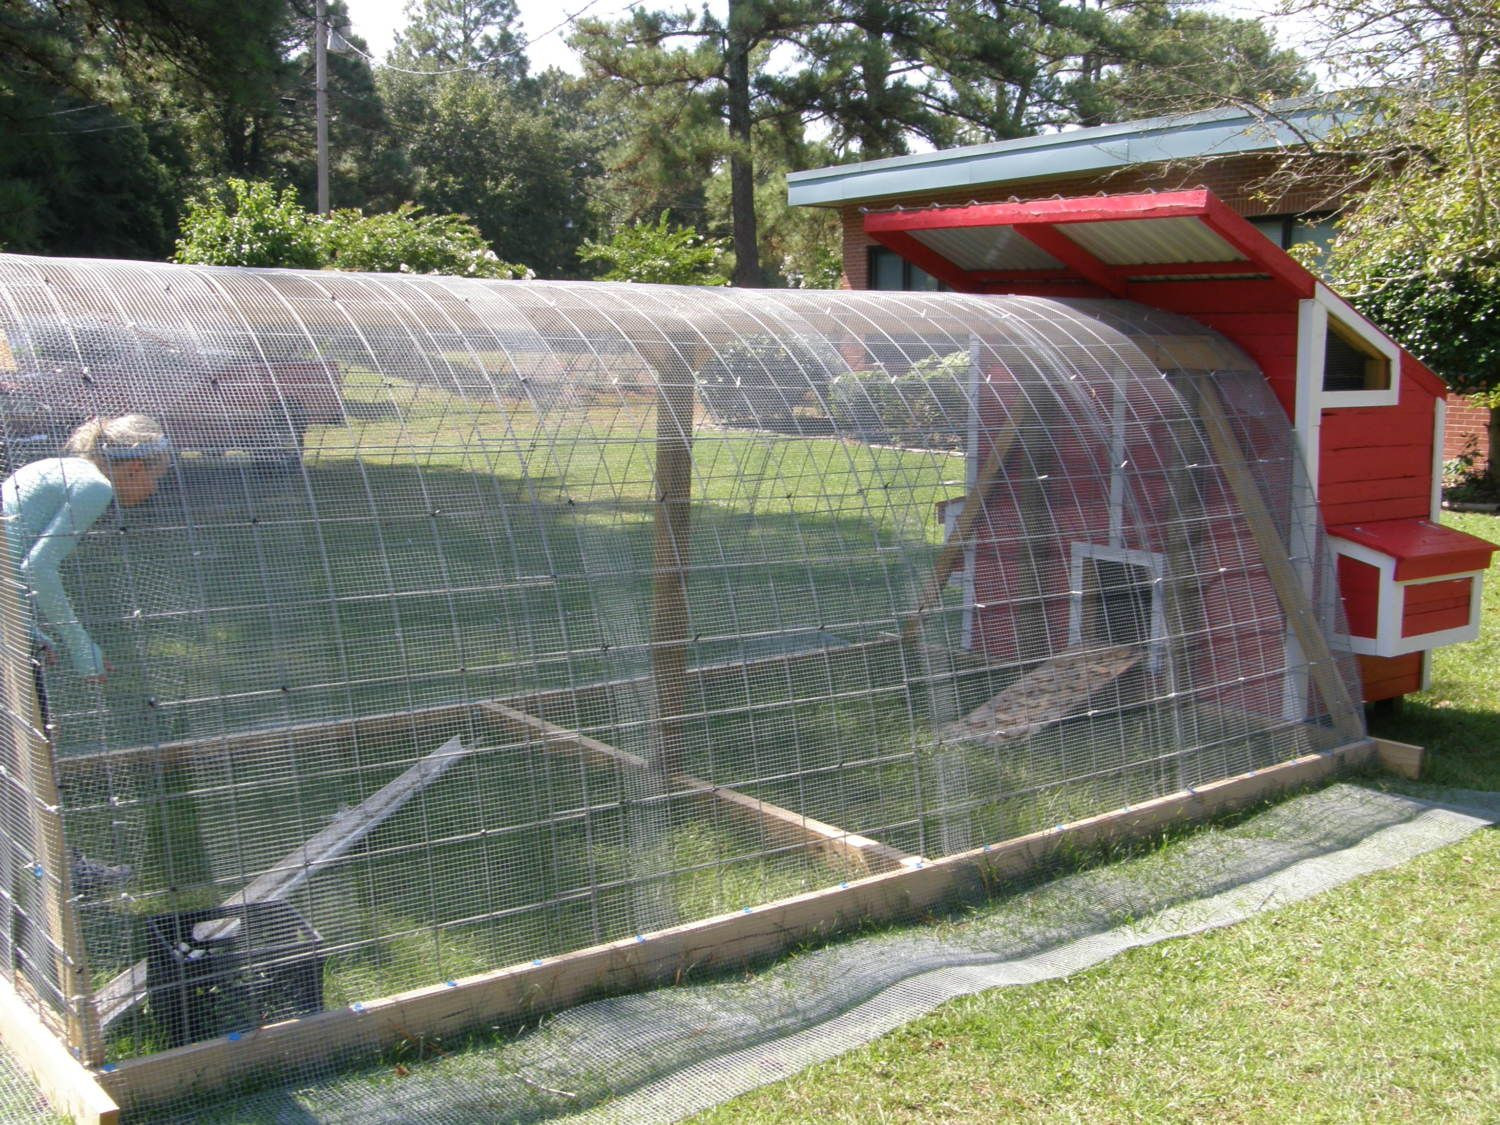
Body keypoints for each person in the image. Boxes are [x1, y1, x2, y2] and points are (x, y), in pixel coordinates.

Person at [3, 414, 171, 696]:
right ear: (135, 467)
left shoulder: (59, 467)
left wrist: (27, 629)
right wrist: (81, 646)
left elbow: (10, 558)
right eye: (155, 479)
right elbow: (37, 568)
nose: (153, 489)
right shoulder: (95, 487)